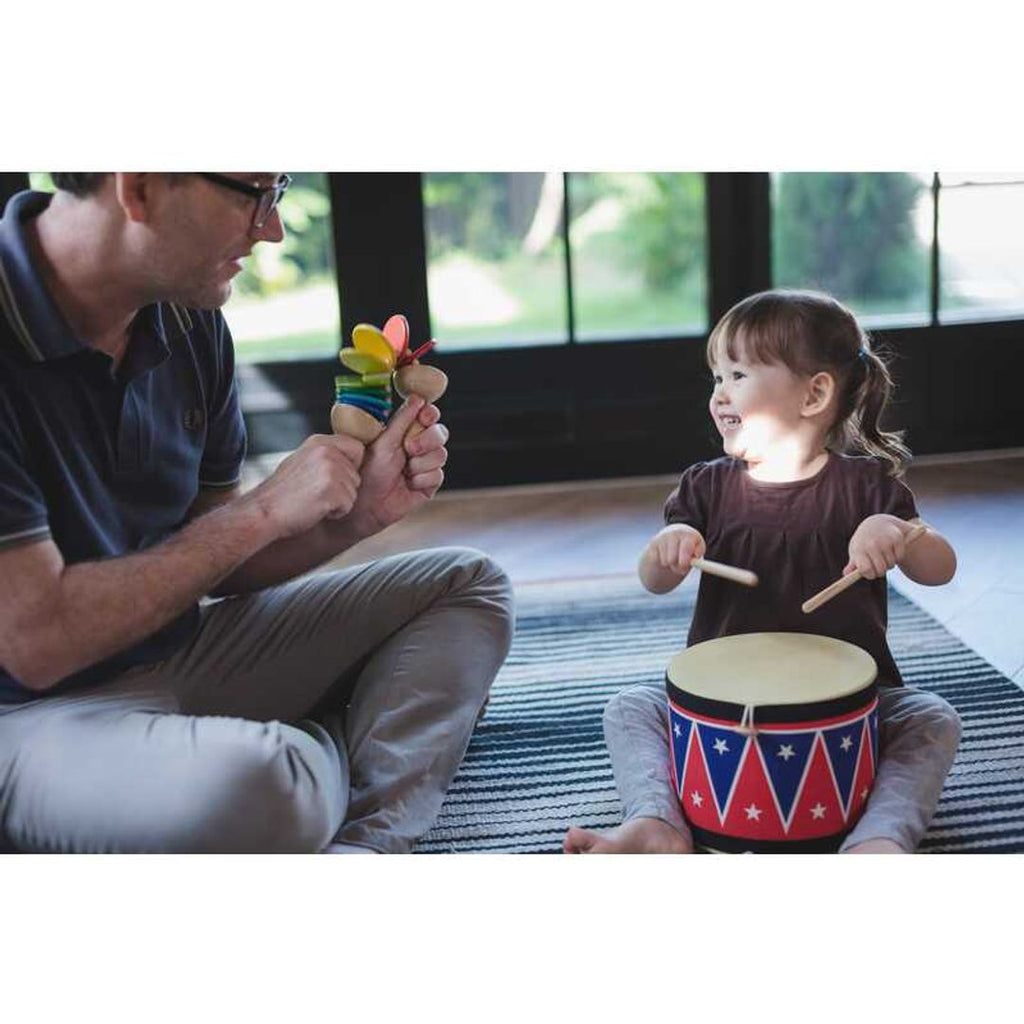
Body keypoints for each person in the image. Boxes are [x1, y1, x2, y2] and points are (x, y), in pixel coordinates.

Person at [0, 173, 514, 854]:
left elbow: (216, 564)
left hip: (183, 650)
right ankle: (335, 734)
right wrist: (266, 507)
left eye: (280, 192)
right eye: (254, 194)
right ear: (140, 186)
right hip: (34, 714)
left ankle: (366, 841)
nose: (271, 228)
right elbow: (36, 643)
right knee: (269, 784)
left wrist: (354, 517)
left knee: (467, 583)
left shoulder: (187, 320)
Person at [563, 289, 961, 855]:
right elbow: (654, 578)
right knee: (632, 706)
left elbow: (940, 569)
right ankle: (658, 823)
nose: (719, 393)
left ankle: (878, 840)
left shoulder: (868, 487)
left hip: (849, 704)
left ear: (815, 392)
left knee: (931, 717)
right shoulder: (706, 486)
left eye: (738, 374)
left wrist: (898, 533)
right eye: (716, 377)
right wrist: (667, 545)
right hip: (723, 705)